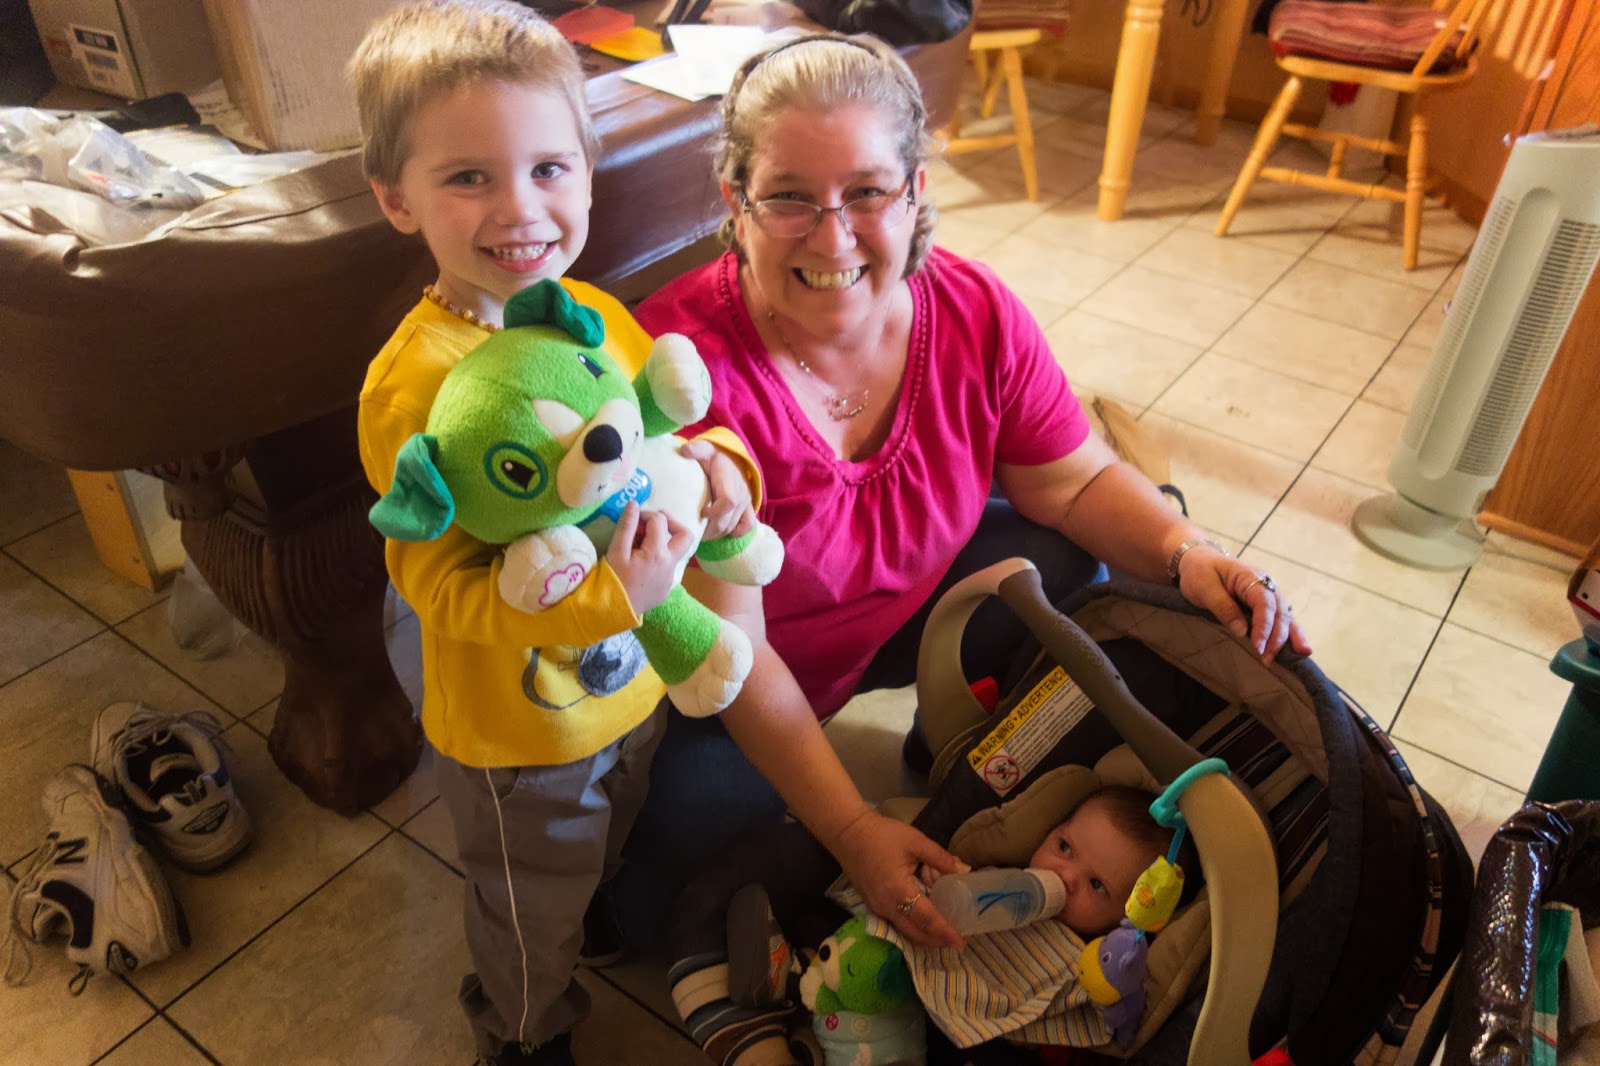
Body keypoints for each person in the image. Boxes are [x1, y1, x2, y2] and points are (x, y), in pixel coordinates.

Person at [618, 33, 1312, 958]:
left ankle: (949, 752)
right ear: (735, 202)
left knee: (1063, 560)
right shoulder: (675, 374)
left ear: (915, 193)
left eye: (868, 191)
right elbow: (730, 651)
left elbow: (1073, 479)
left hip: (885, 619)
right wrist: (853, 830)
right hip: (723, 675)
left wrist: (1188, 553)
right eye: (789, 196)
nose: (833, 236)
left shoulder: (975, 311)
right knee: (659, 905)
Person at [349, 4, 764, 1063]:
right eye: (468, 177)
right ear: (395, 196)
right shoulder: (411, 387)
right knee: (527, 902)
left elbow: (655, 434)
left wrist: (722, 467)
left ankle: (596, 906)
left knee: (608, 836)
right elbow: (438, 585)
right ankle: (523, 1027)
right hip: (518, 730)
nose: (519, 209)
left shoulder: (588, 315)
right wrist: (609, 597)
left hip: (632, 678)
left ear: (586, 172)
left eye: (547, 168)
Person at [669, 786, 1184, 1066]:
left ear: (1126, 920)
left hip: (941, 1037)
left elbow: (1075, 1031)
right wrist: (938, 880)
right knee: (784, 873)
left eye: (1096, 885)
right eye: (1064, 846)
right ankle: (786, 989)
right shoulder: (999, 880)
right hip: (879, 954)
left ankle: (799, 1015)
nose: (1064, 877)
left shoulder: (1084, 968)